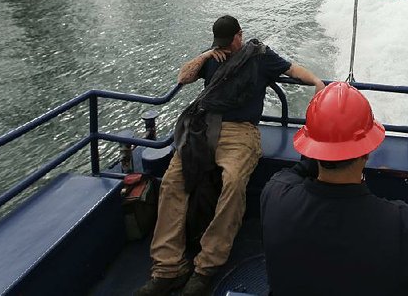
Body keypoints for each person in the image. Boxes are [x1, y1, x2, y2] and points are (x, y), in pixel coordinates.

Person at [136, 15, 325, 296]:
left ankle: (207, 265)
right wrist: (206, 56)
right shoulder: (213, 56)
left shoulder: (259, 56)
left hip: (241, 132)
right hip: (203, 128)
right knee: (172, 182)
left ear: (240, 35)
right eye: (219, 44)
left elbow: (293, 69)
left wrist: (318, 83)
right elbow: (183, 77)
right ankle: (167, 267)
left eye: (228, 42)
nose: (225, 47)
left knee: (234, 181)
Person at [260, 82, 408, 296]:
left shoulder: (276, 196)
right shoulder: (404, 225)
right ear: (367, 150)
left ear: (312, 149)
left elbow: (291, 175)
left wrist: (320, 150)